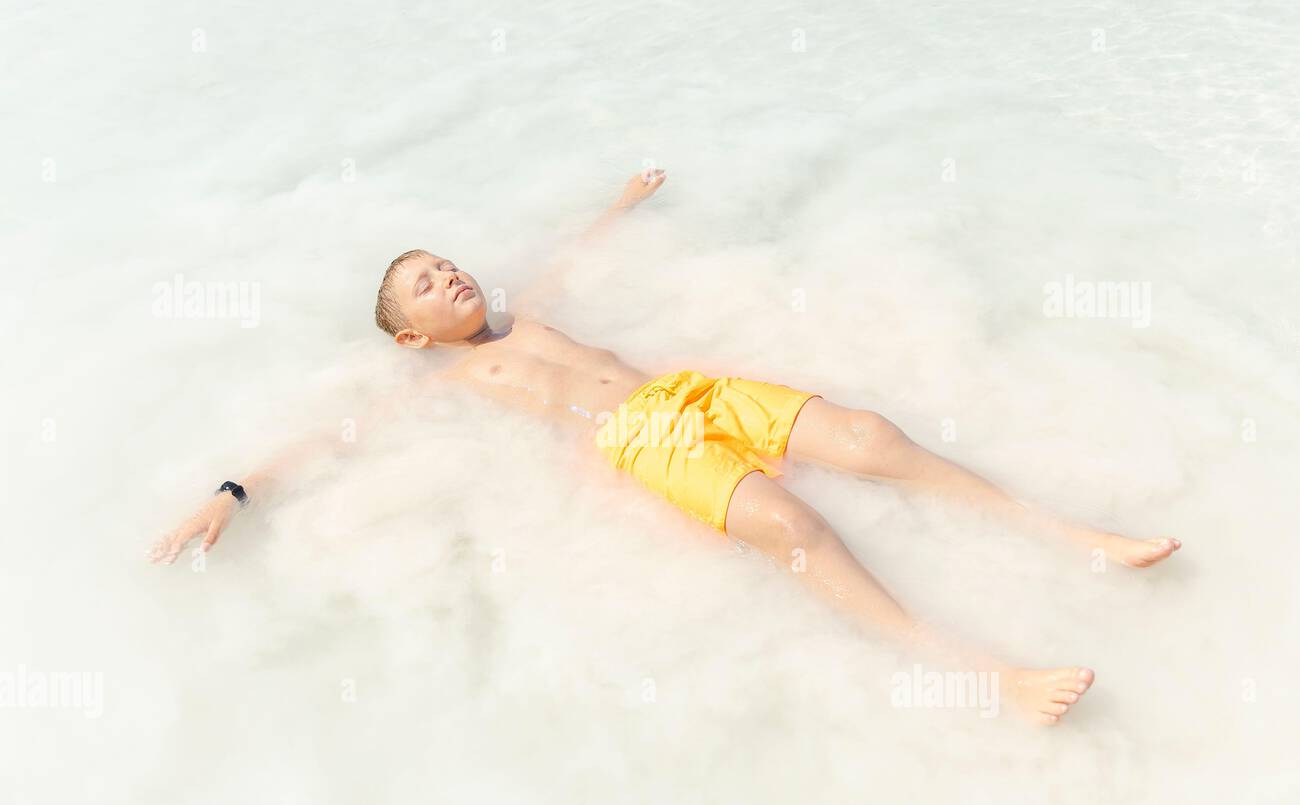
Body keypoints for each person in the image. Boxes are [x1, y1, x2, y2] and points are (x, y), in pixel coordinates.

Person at [150, 168, 1181, 725]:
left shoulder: (525, 313)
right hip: (637, 441)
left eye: (447, 263)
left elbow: (569, 248)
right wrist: (230, 492)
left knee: (869, 435)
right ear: (412, 335)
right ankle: (987, 674)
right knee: (790, 523)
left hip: (691, 391)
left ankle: (1066, 529)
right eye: (425, 284)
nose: (451, 276)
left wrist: (624, 203)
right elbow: (331, 437)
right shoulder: (449, 377)